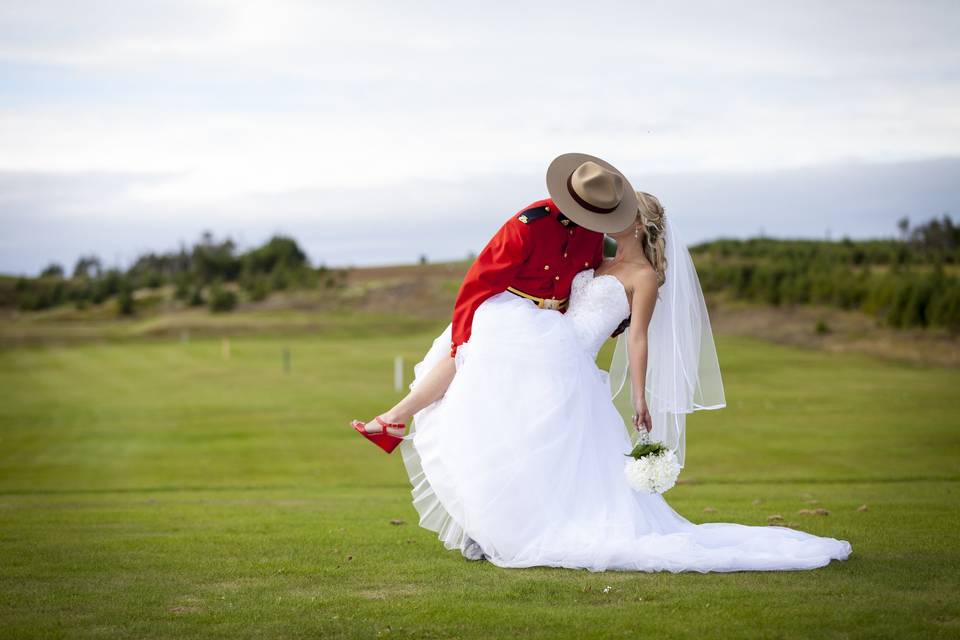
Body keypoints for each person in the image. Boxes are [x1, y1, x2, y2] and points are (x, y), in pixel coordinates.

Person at [356, 156, 854, 571]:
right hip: (544, 340)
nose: (608, 221)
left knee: (506, 420)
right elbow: (499, 285)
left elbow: (636, 338)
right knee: (493, 413)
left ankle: (421, 446)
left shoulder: (641, 275)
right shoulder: (588, 250)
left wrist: (639, 396)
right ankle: (461, 495)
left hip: (561, 352)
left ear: (635, 224)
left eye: (619, 215)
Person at [350, 153, 636, 452]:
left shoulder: (592, 232)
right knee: (467, 358)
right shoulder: (529, 224)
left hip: (556, 325)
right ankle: (393, 419)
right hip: (511, 310)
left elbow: (585, 276)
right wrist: (462, 339)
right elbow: (479, 283)